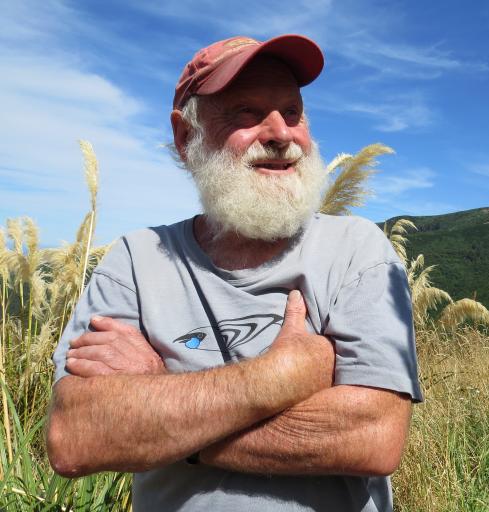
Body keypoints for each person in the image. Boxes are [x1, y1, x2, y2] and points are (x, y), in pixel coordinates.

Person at [47, 34, 422, 511]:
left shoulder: (356, 250)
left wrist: (158, 397)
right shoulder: (134, 262)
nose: (281, 134)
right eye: (246, 112)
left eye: (292, 112)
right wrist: (278, 376)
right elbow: (76, 436)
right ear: (187, 138)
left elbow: (373, 437)